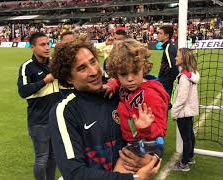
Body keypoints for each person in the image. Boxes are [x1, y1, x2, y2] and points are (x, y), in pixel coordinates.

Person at [49, 39, 161, 180]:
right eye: (82, 68)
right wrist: (134, 178)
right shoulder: (65, 111)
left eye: (93, 61)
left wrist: (151, 158)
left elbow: (151, 137)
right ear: (68, 78)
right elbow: (74, 173)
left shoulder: (120, 96)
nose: (94, 71)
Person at [104, 39, 170, 156]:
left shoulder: (151, 95)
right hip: (129, 139)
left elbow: (161, 130)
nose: (130, 79)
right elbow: (118, 81)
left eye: (135, 72)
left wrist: (145, 128)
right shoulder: (125, 84)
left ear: (143, 68)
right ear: (116, 74)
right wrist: (112, 85)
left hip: (147, 145)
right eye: (123, 74)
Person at [17, 32, 62, 180]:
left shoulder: (53, 64)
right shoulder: (27, 67)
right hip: (39, 121)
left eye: (48, 44)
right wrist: (45, 81)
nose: (47, 47)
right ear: (32, 48)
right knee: (42, 159)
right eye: (42, 44)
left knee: (54, 156)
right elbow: (23, 91)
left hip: (56, 120)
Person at [171, 48, 200, 172]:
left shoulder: (184, 77)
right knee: (190, 136)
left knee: (186, 138)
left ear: (183, 59)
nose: (175, 58)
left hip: (183, 111)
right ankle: (190, 157)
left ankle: (184, 163)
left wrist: (174, 112)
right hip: (189, 110)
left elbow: (181, 98)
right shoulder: (192, 73)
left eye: (177, 56)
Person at [157, 25, 179, 106]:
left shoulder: (168, 48)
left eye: (160, 33)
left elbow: (174, 68)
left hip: (166, 84)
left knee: (163, 107)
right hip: (164, 83)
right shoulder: (168, 47)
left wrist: (166, 84)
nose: (158, 35)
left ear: (166, 36)